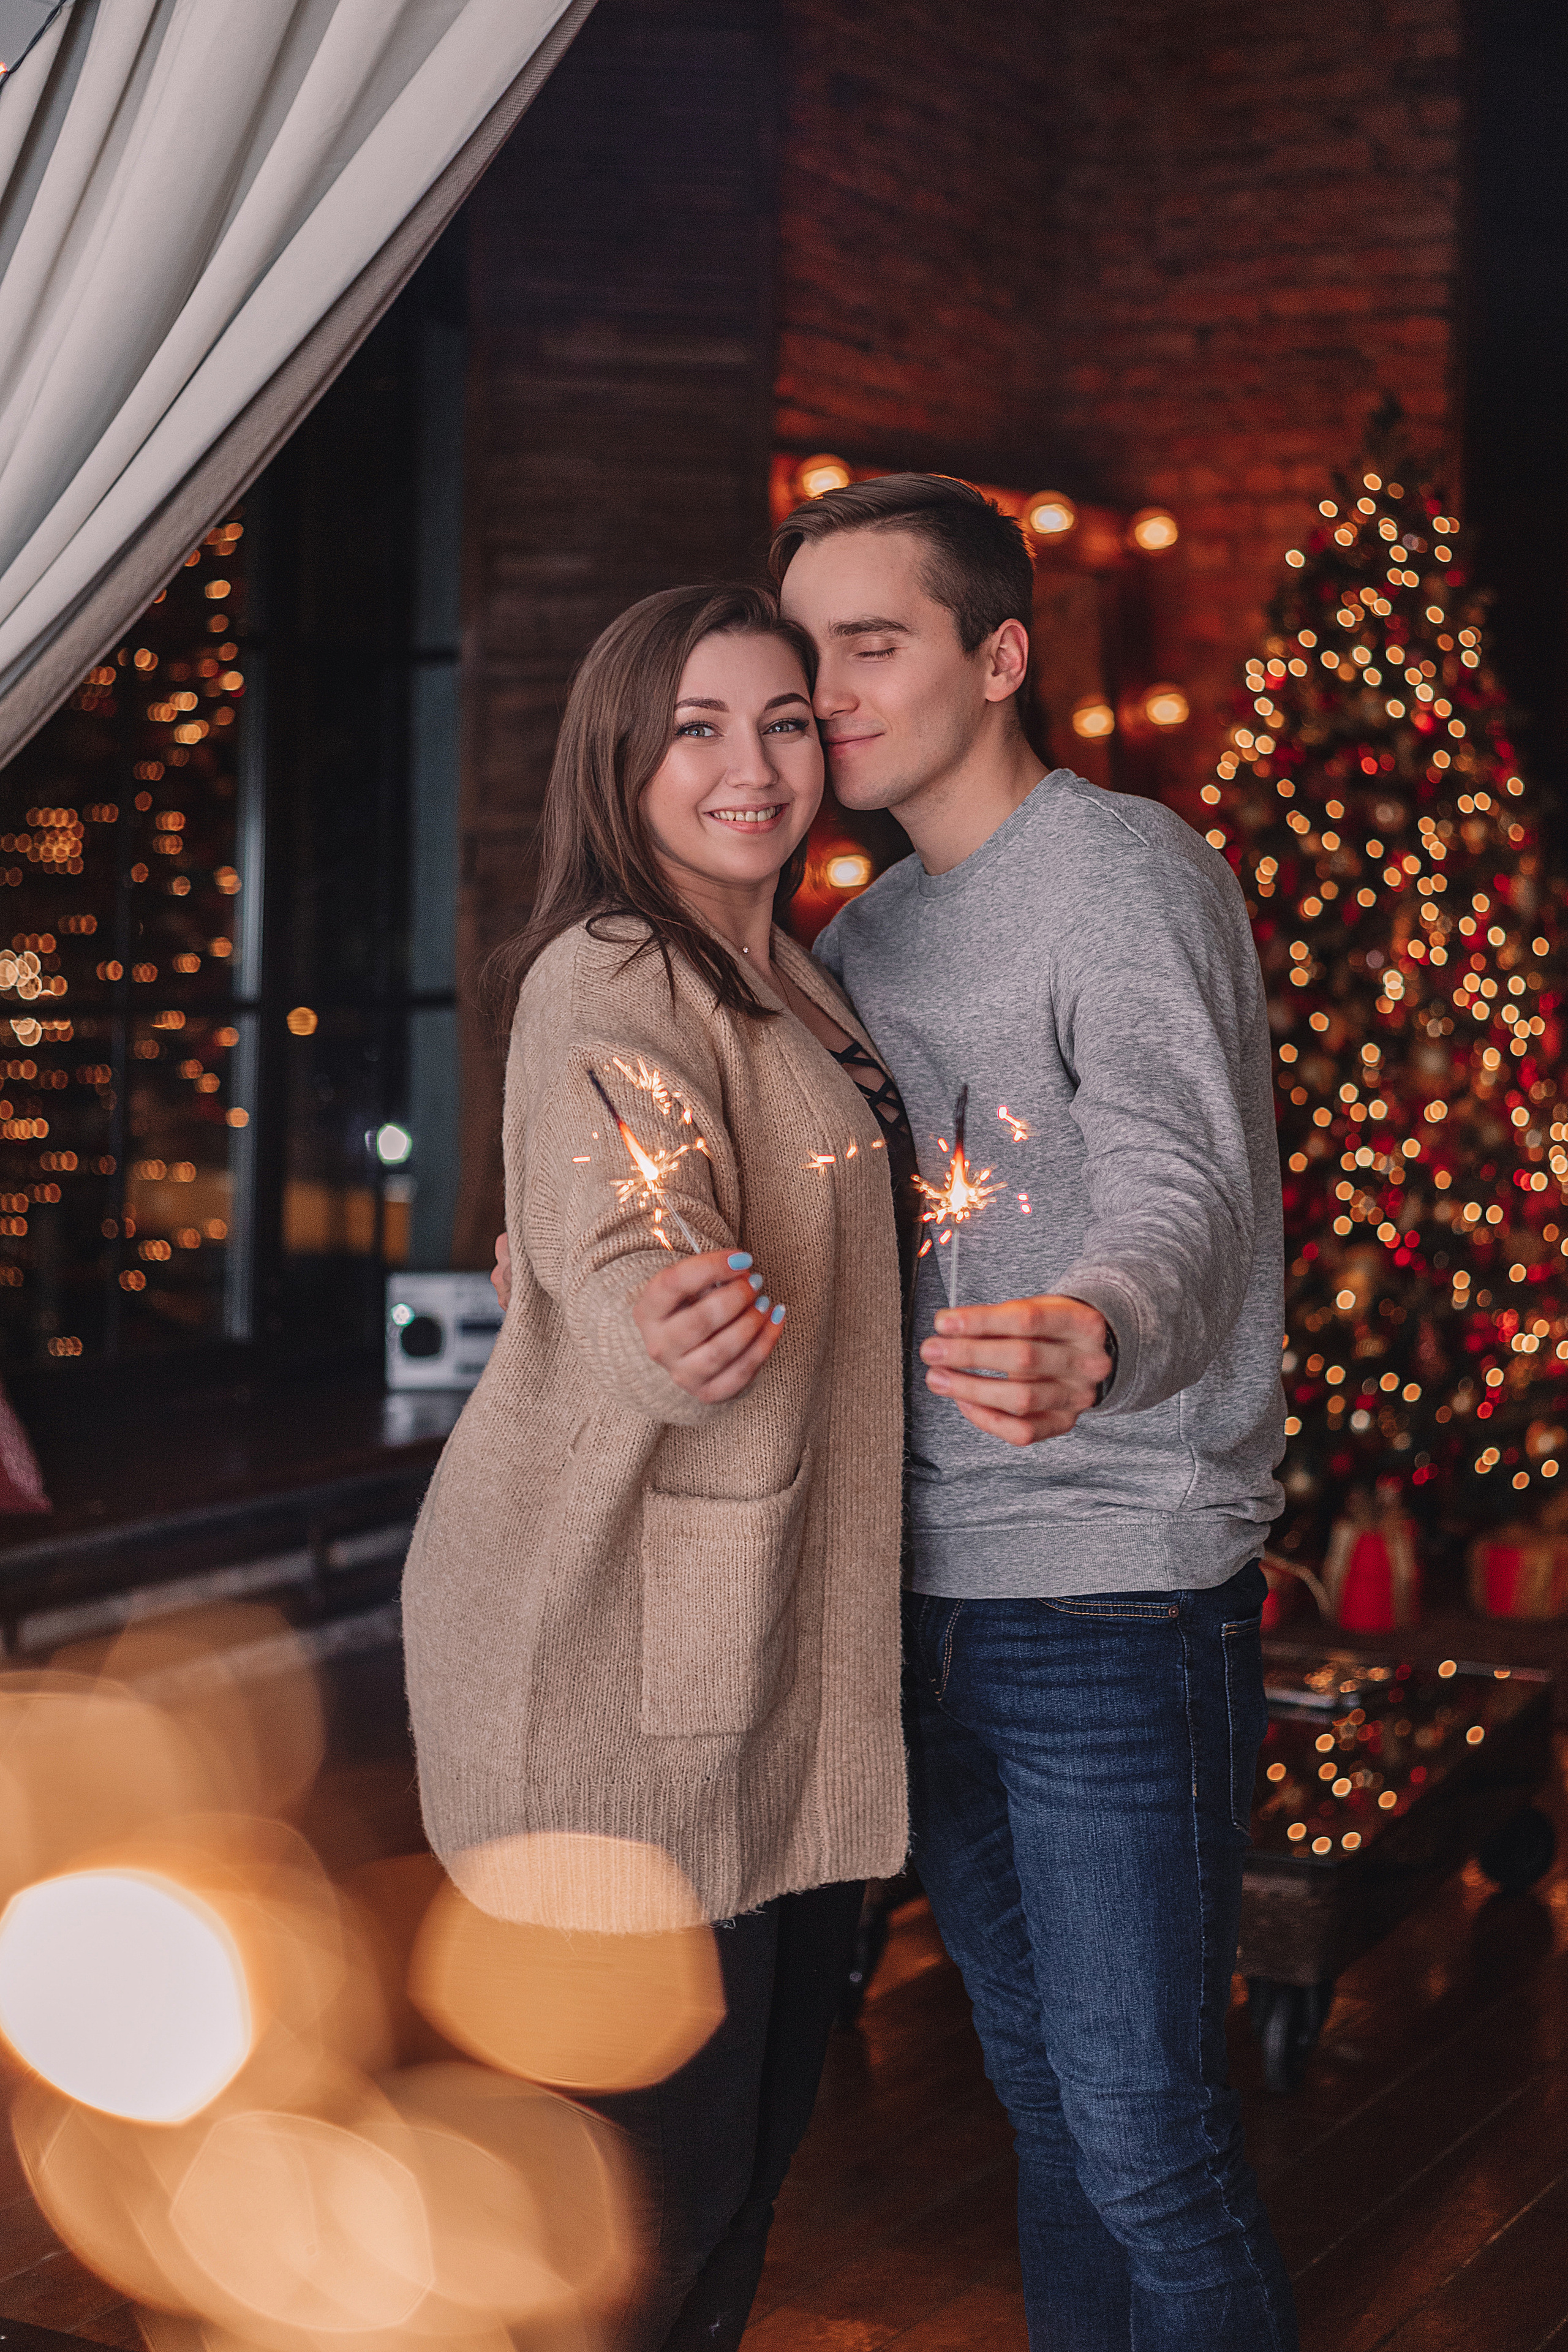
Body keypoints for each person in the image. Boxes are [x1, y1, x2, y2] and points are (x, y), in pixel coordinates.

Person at [771, 475, 1298, 2352]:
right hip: (919, 1600)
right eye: (807, 646)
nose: (827, 689)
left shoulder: (1127, 870)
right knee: (1054, 2115)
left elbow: (1188, 1182)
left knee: (1151, 2137)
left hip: (1110, 1597)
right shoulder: (859, 939)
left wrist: (1101, 1323)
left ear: (998, 657)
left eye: (875, 642)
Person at [402, 582, 919, 2352]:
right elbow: (620, 1213)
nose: (750, 765)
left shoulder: (792, 972)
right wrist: (655, 1314)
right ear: (622, 756)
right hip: (616, 1661)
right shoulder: (614, 971)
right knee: (645, 2206)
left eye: (784, 722)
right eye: (698, 726)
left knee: (740, 2162)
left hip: (751, 1655)